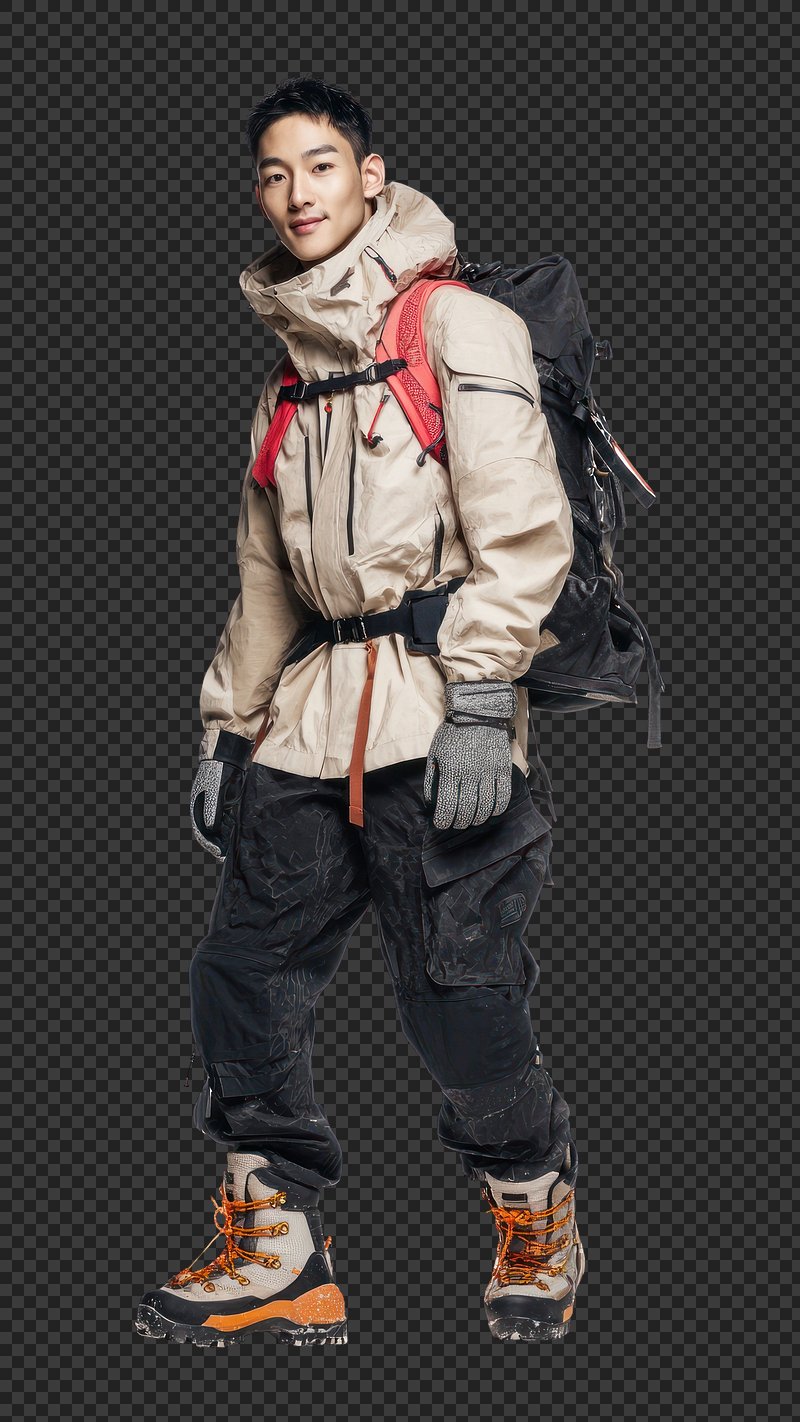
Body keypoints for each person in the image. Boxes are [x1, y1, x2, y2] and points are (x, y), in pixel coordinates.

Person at [135, 77, 585, 1350]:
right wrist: (227, 727)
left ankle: (532, 1203)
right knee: (241, 977)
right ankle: (280, 1249)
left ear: (370, 175)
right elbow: (264, 582)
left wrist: (482, 693)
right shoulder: (288, 381)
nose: (297, 194)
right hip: (303, 725)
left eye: (320, 165)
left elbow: (523, 527)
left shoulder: (457, 327)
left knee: (459, 995)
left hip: (438, 713)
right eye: (274, 173)